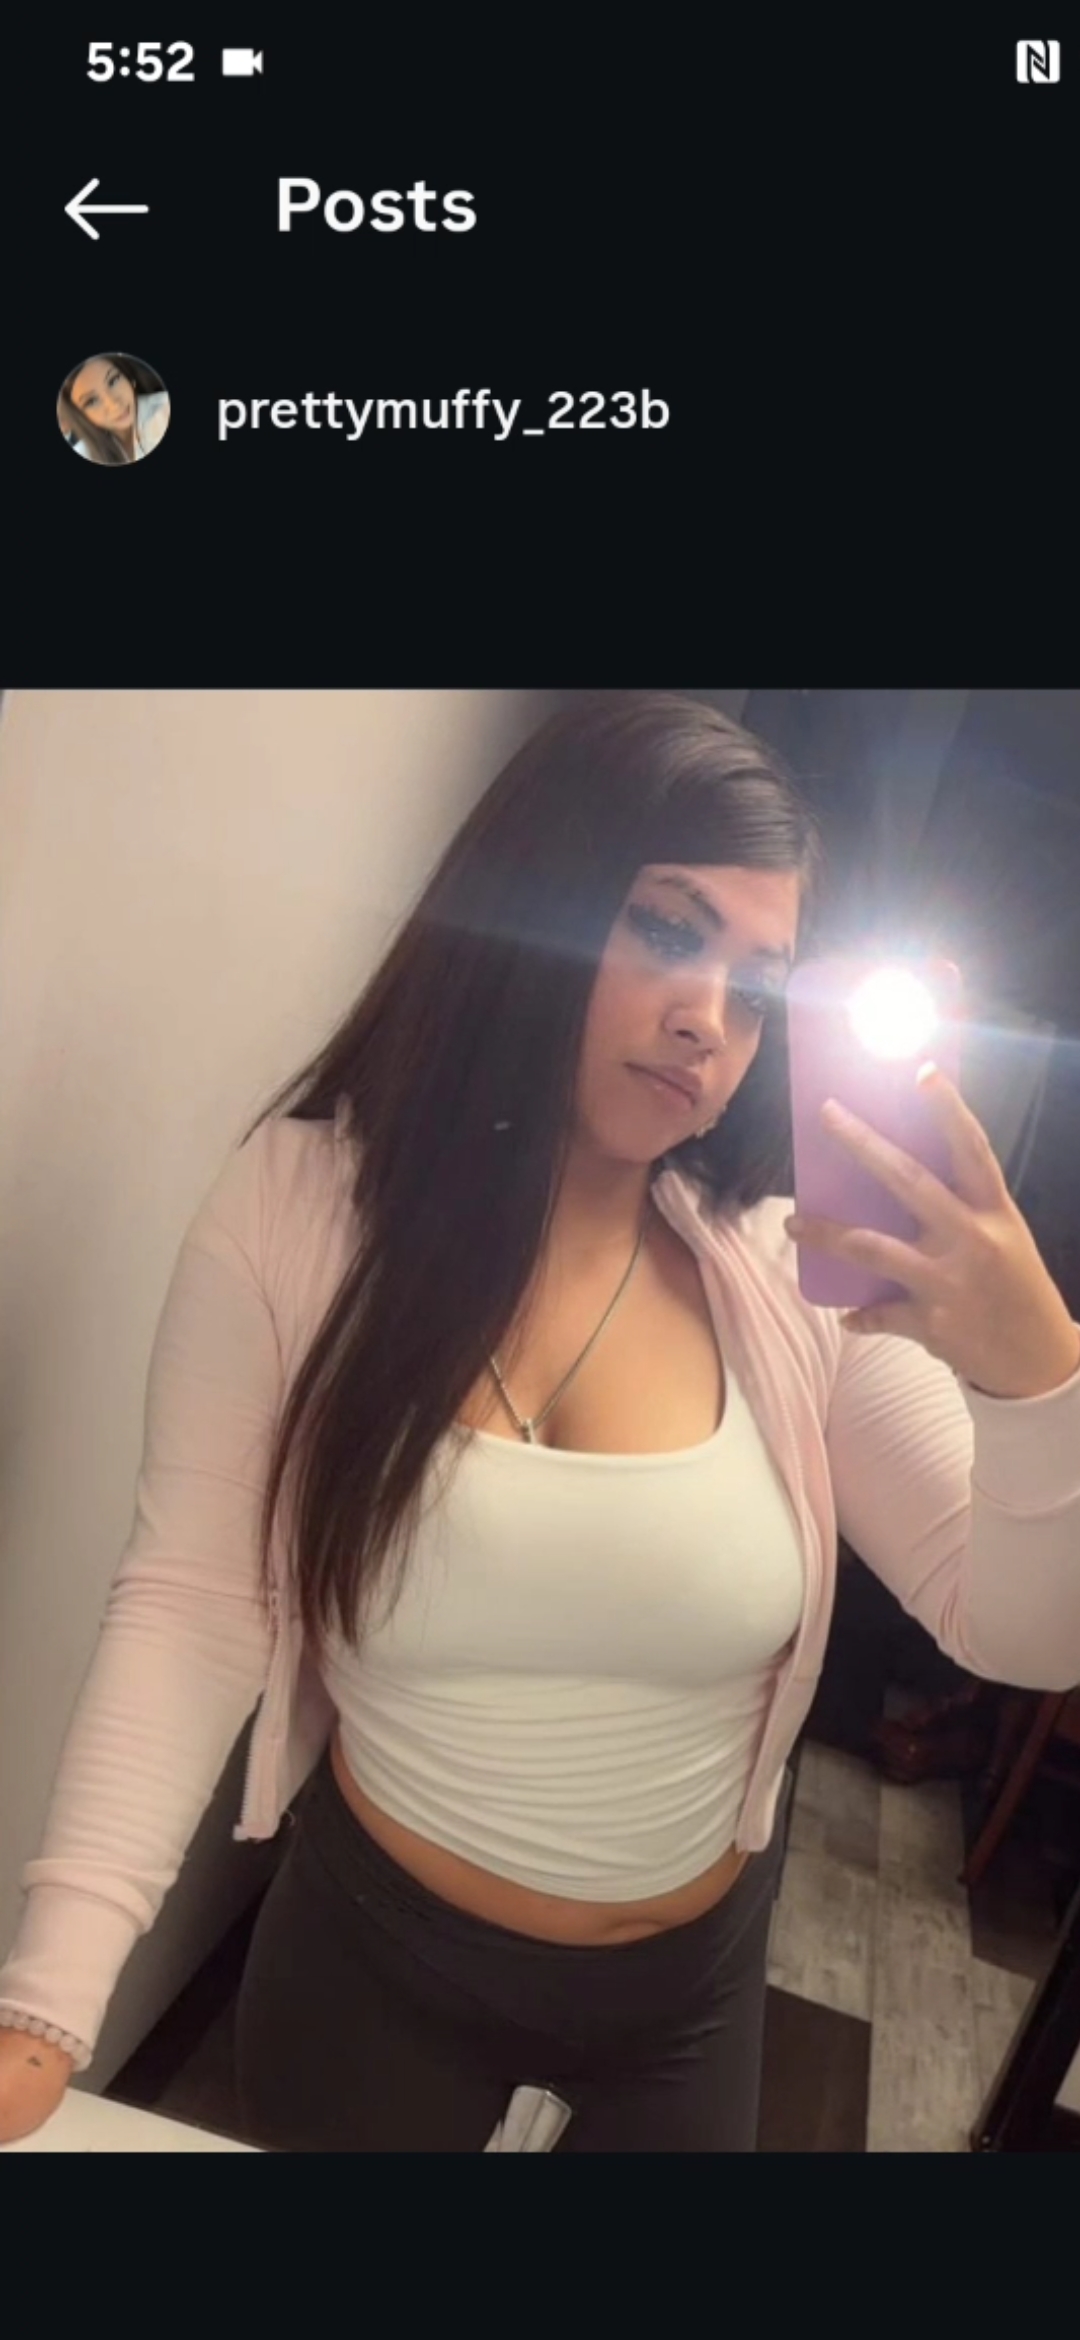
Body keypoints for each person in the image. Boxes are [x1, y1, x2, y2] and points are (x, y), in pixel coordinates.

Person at [2, 692, 1079, 2152]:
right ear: (533, 900)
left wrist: (1039, 1375)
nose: (709, 1020)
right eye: (669, 929)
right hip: (375, 1967)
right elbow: (194, 1600)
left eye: (760, 985)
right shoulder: (297, 1216)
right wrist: (47, 2004)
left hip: (682, 2000)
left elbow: (1019, 1630)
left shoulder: (791, 1280)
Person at [57, 353, 170, 465]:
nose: (114, 405)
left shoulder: (164, 411)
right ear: (79, 415)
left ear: (128, 377)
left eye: (113, 381)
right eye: (92, 401)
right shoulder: (83, 452)